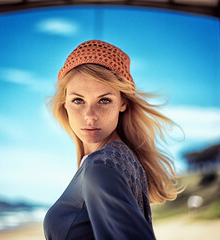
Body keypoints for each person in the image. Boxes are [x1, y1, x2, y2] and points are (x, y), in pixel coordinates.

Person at [43, 40, 179, 240]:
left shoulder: (101, 166)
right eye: (78, 100)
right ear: (65, 103)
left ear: (123, 102)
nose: (90, 115)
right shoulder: (121, 158)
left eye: (104, 100)